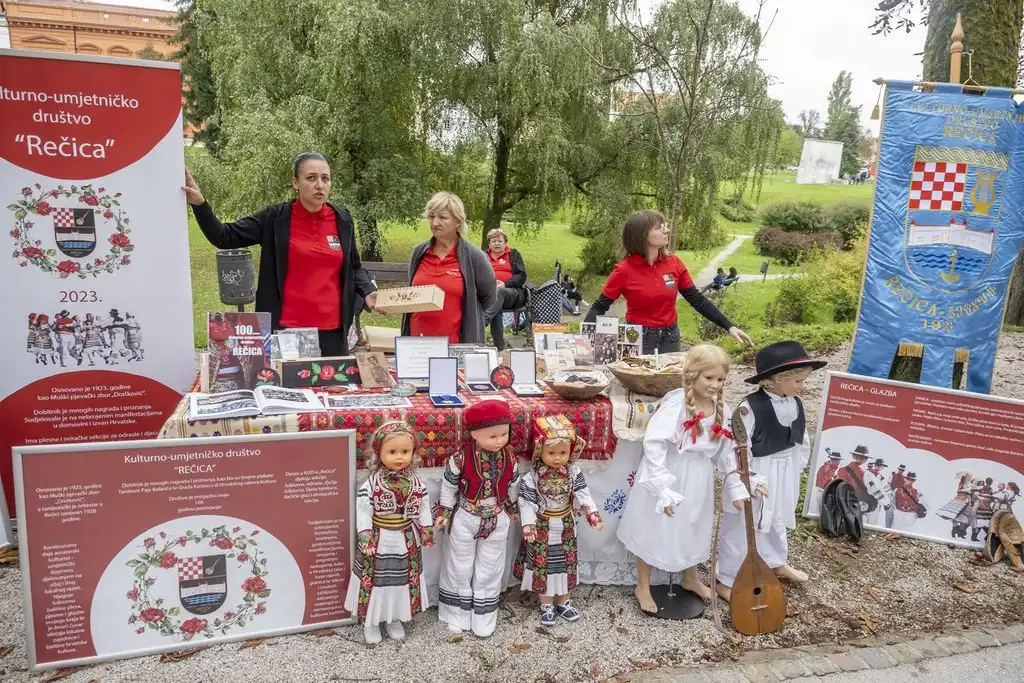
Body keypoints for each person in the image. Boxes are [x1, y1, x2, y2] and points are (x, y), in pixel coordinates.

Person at [183, 153, 378, 356]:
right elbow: (225, 236)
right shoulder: (275, 219)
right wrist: (200, 205)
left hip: (333, 332)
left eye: (325, 178)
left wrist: (367, 290)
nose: (320, 185)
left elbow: (354, 267)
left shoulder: (342, 219)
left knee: (332, 387)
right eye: (311, 178)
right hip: (286, 333)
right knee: (288, 387)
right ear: (295, 182)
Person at [617, 344, 740, 612]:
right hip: (671, 471)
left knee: (692, 525)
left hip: (699, 475)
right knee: (654, 525)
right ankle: (643, 584)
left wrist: (736, 482)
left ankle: (690, 577)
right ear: (692, 375)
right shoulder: (677, 405)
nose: (714, 385)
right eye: (709, 378)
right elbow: (654, 443)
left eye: (720, 379)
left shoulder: (722, 409)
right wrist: (661, 485)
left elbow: (727, 451)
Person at [716, 340, 826, 600]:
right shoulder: (749, 407)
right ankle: (727, 578)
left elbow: (801, 439)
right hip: (759, 470)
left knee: (776, 517)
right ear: (777, 378)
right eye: (797, 381)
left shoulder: (795, 403)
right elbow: (736, 446)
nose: (803, 386)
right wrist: (748, 479)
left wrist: (796, 466)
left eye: (803, 380)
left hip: (785, 469)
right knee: (745, 524)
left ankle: (775, 559)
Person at [584, 211, 752, 354]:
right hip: (638, 338)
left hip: (671, 337)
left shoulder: (674, 262)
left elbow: (697, 299)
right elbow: (599, 306)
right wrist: (585, 340)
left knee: (668, 388)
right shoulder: (623, 271)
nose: (667, 230)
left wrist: (729, 326)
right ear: (641, 235)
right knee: (639, 384)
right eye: (659, 227)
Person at [436, 399, 520, 637]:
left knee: (490, 567)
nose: (499, 440)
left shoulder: (510, 459)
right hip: (466, 516)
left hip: (497, 517)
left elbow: (513, 485)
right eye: (492, 436)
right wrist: (444, 511)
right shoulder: (460, 459)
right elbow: (449, 486)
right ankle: (456, 613)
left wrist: (513, 508)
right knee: (459, 565)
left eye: (504, 434)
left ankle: (484, 615)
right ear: (474, 434)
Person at [345, 422, 434, 644]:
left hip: (406, 538)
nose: (399, 457)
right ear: (379, 453)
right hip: (379, 539)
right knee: (376, 580)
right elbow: (363, 512)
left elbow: (423, 507)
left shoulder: (416, 483)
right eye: (392, 452)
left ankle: (395, 617)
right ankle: (372, 621)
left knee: (401, 581)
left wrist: (426, 530)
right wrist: (365, 536)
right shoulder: (371, 485)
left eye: (405, 452)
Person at [514, 415, 604, 627]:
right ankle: (545, 602)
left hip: (566, 525)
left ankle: (563, 600)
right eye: (551, 453)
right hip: (542, 527)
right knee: (542, 565)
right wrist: (528, 524)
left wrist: (593, 515)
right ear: (539, 451)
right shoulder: (532, 477)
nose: (557, 458)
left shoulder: (573, 472)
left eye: (563, 453)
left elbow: (583, 493)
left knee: (565, 563)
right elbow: (526, 502)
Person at [402, 192, 496, 345]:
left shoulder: (474, 257)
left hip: (456, 345)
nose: (435, 223)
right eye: (431, 217)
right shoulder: (419, 253)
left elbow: (489, 297)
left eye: (442, 217)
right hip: (416, 344)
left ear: (457, 221)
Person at [481, 228, 527, 350]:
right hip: (490, 295)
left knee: (499, 292)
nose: (496, 243)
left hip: (512, 293)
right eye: (493, 241)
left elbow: (522, 276)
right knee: (496, 306)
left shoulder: (513, 254)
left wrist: (505, 284)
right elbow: (476, 275)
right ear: (489, 244)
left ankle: (483, 322)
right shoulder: (483, 256)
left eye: (499, 241)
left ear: (505, 242)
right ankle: (499, 346)